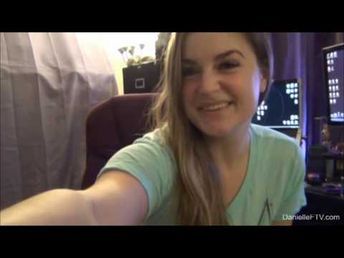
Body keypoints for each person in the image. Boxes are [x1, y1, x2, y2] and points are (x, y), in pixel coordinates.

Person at [0, 33, 307, 225]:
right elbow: (91, 211)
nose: (208, 86)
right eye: (188, 72)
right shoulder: (157, 158)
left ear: (263, 76)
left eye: (227, 64)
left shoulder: (287, 156)